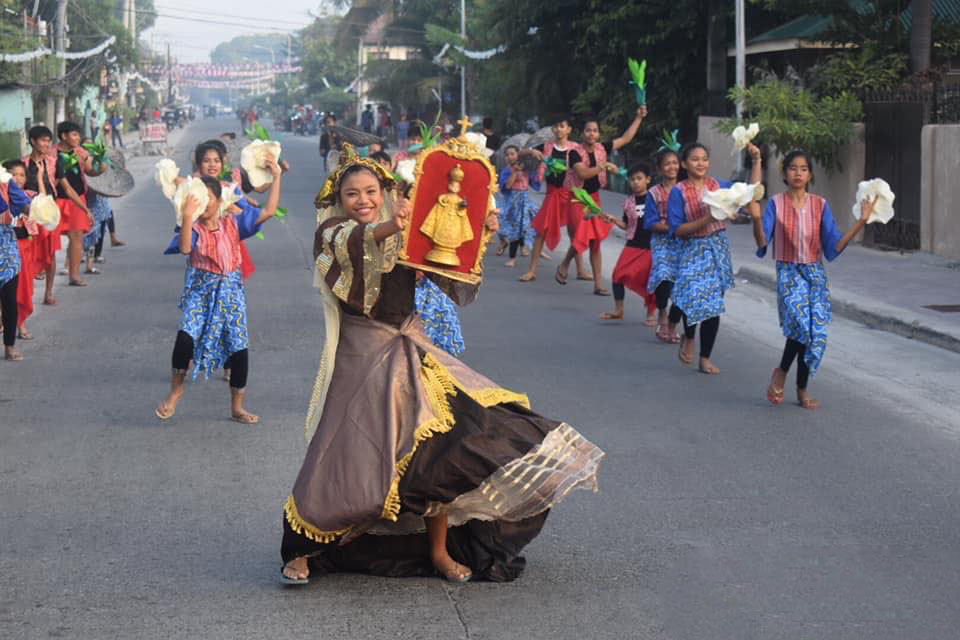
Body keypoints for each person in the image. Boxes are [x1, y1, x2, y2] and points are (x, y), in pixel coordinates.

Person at [279, 145, 603, 585]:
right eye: (352, 194)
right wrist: (396, 224)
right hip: (362, 358)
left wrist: (480, 235)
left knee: (445, 449)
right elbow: (354, 244)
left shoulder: (405, 231)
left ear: (384, 191)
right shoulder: (334, 232)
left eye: (371, 191)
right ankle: (306, 549)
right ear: (340, 200)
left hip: (411, 347)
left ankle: (438, 551)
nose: (363, 200)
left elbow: (451, 272)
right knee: (345, 459)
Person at [155, 158, 283, 423]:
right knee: (184, 339)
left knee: (239, 350)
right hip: (201, 294)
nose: (202, 204)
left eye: (206, 199)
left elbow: (268, 212)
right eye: (196, 199)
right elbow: (186, 249)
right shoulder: (194, 227)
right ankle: (175, 392)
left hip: (231, 295)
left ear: (218, 200)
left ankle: (237, 407)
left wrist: (277, 176)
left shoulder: (232, 223)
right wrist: (188, 215)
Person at [748, 150, 874, 409]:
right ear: (784, 173)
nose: (798, 173)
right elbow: (763, 243)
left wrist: (862, 220)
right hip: (789, 272)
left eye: (803, 168)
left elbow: (834, 245)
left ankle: (801, 386)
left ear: (810, 174)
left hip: (815, 274)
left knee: (814, 332)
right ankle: (784, 374)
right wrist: (757, 218)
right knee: (802, 327)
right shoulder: (775, 203)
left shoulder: (820, 205)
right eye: (793, 168)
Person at [668, 142, 762, 374]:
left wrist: (757, 160)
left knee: (713, 304)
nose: (700, 163)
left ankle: (705, 357)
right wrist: (708, 219)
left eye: (704, 159)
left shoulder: (718, 186)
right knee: (693, 298)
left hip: (717, 247)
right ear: (684, 164)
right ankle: (689, 336)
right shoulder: (678, 192)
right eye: (694, 159)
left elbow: (750, 190)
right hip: (692, 249)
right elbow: (677, 229)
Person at [556, 108, 647, 295]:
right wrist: (603, 166)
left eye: (595, 131)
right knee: (581, 236)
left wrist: (638, 117)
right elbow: (582, 173)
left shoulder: (602, 148)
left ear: (599, 134)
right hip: (578, 199)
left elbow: (625, 138)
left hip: (594, 198)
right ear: (582, 133)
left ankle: (598, 283)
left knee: (595, 241)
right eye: (588, 130)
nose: (592, 134)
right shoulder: (574, 152)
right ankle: (565, 263)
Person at [518, 115, 584, 282]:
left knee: (574, 232)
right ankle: (532, 270)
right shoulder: (546, 147)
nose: (559, 129)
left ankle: (581, 269)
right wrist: (532, 151)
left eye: (562, 126)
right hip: (553, 194)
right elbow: (521, 153)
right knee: (541, 232)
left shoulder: (576, 149)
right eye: (556, 126)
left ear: (569, 129)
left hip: (570, 194)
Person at [599, 162, 657, 323]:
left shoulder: (655, 199)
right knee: (617, 275)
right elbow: (627, 225)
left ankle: (651, 314)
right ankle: (619, 310)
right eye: (632, 179)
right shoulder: (628, 202)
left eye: (639, 178)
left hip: (651, 246)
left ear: (648, 180)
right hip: (633, 244)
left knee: (650, 280)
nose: (636, 182)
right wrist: (613, 220)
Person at [4, 160, 47, 341]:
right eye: (14, 174)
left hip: (25, 245)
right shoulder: (4, 195)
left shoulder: (26, 195)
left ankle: (21, 323)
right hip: (8, 246)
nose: (18, 178)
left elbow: (42, 204)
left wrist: (39, 176)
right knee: (9, 289)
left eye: (22, 175)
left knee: (25, 288)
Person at [56, 121, 103, 287]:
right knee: (48, 239)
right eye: (74, 135)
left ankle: (74, 276)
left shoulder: (80, 152)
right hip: (55, 200)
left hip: (77, 200)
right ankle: (41, 271)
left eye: (78, 135)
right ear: (64, 136)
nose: (78, 138)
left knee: (77, 238)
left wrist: (101, 165)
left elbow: (91, 171)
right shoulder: (52, 153)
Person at [645, 149, 683, 344]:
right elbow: (649, 223)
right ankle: (662, 314)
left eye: (675, 163)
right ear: (660, 169)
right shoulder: (654, 193)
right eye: (667, 163)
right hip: (662, 242)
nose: (672, 167)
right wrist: (671, 229)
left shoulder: (686, 188)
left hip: (683, 242)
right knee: (664, 278)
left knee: (680, 283)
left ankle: (673, 323)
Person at [0, 166, 31, 361]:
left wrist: (39, 209)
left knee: (9, 297)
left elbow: (23, 202)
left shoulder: (5, 179)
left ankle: (9, 346)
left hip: (5, 244)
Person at [499, 145, 541, 268]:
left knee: (527, 225)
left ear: (518, 155)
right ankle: (512, 257)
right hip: (513, 201)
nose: (509, 157)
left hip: (525, 200)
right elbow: (507, 186)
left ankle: (526, 246)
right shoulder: (507, 170)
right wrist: (515, 172)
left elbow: (536, 180)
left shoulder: (527, 168)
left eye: (512, 154)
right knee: (515, 227)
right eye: (507, 155)